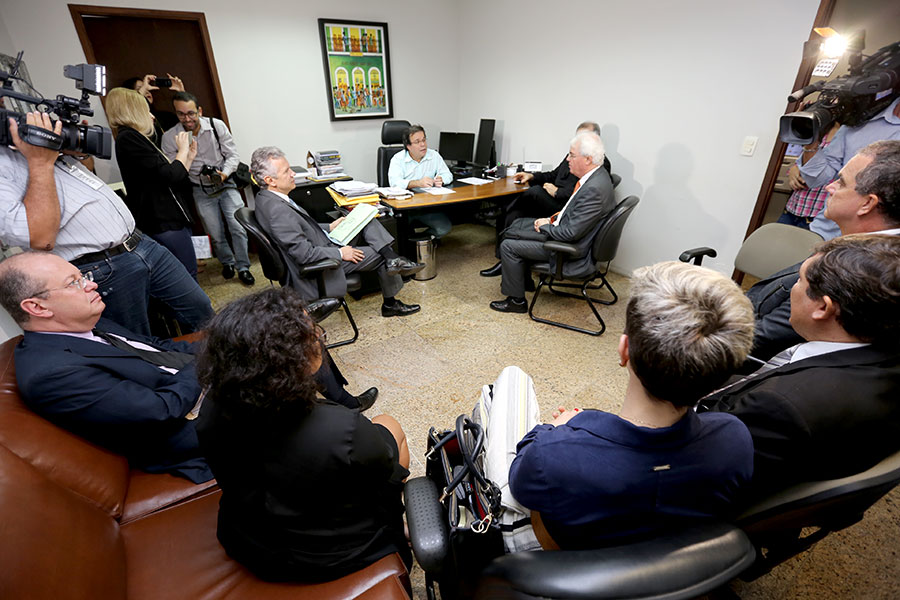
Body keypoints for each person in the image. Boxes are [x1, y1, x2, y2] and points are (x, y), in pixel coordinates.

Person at [0, 254, 380, 483]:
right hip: (192, 427)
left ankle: (340, 405)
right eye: (74, 282)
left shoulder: (87, 322)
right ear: (37, 307)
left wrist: (228, 340)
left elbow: (161, 348)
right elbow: (159, 411)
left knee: (291, 332)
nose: (90, 283)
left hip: (195, 388)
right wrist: (212, 357)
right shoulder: (52, 372)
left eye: (83, 275)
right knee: (288, 349)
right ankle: (336, 428)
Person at [479, 261, 754, 551]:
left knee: (509, 381)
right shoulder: (734, 439)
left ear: (624, 351)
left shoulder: (553, 453)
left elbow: (518, 482)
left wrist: (550, 429)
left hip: (553, 549)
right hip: (661, 556)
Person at [195, 287, 411, 581]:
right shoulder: (340, 427)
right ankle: (397, 523)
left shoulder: (211, 408)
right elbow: (381, 471)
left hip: (250, 542)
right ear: (292, 359)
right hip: (328, 556)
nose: (319, 337)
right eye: (312, 334)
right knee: (389, 425)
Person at [699, 234, 900, 495]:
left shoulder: (776, 408)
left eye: (798, 281)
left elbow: (700, 475)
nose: (792, 289)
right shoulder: (882, 356)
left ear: (823, 308)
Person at [0, 110, 213, 336]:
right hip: (100, 266)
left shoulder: (42, 148)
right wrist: (40, 163)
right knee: (136, 341)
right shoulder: (18, 161)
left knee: (201, 310)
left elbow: (88, 170)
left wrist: (74, 150)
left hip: (141, 243)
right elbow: (40, 238)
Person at [748, 140, 900, 360]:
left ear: (868, 203)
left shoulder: (865, 267)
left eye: (841, 182)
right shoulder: (857, 244)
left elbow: (768, 337)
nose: (830, 187)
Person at [251, 146, 424, 317]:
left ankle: (393, 258)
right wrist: (341, 253)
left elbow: (299, 226)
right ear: (270, 180)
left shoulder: (265, 198)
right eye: (286, 171)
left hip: (322, 241)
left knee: (364, 218)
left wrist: (329, 227)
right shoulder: (277, 211)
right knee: (380, 255)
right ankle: (390, 301)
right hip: (321, 262)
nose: (293, 174)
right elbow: (304, 254)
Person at [490, 131, 615, 313]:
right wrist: (551, 219)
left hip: (568, 249)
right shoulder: (597, 177)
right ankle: (523, 282)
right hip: (564, 229)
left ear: (588, 159)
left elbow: (570, 233)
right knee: (515, 225)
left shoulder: (594, 189)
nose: (567, 159)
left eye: (572, 155)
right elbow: (573, 213)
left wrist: (546, 226)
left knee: (509, 245)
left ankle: (516, 301)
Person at [162, 91, 254, 285]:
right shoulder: (170, 137)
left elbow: (232, 155)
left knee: (238, 227)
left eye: (191, 113)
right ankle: (227, 262)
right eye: (181, 114)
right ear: (176, 114)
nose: (187, 119)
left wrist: (224, 173)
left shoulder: (216, 126)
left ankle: (243, 267)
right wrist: (185, 154)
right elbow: (173, 168)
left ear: (199, 111)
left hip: (226, 183)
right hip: (199, 189)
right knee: (215, 233)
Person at [106, 87, 199, 279]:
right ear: (134, 112)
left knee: (185, 273)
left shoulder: (134, 138)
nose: (152, 116)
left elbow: (174, 176)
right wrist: (181, 150)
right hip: (162, 221)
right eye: (146, 111)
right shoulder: (129, 138)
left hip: (168, 218)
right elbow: (170, 175)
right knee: (185, 275)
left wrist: (188, 157)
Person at [797, 96, 900, 239]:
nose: (830, 188)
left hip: (879, 246)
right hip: (824, 234)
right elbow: (817, 178)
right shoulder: (861, 119)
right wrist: (810, 140)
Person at [387, 124, 453, 238]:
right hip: (404, 208)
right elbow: (395, 183)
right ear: (408, 146)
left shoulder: (434, 155)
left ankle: (422, 241)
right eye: (417, 142)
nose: (423, 144)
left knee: (444, 228)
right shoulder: (397, 159)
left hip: (426, 207)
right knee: (397, 232)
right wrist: (417, 183)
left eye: (423, 140)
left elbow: (448, 174)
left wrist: (441, 179)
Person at [780, 122, 840, 230]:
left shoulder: (849, 139)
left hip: (817, 215)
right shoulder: (821, 133)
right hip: (793, 207)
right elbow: (800, 163)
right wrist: (793, 170)